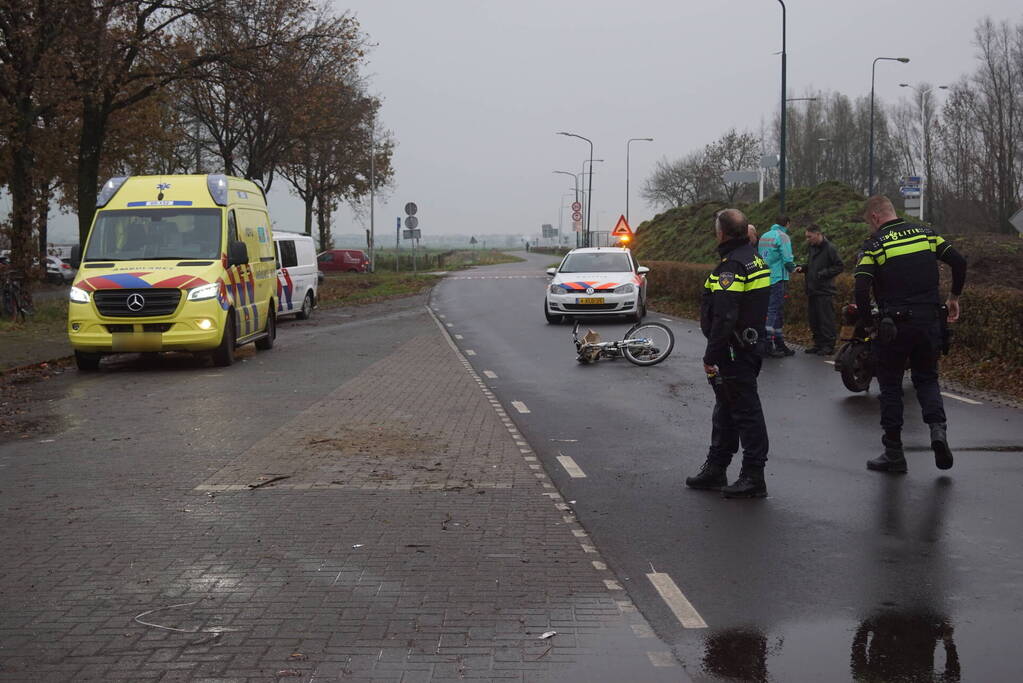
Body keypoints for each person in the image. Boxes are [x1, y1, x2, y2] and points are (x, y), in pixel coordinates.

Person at [854, 195, 967, 473]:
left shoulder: (875, 244)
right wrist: (953, 297)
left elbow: (861, 287)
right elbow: (960, 262)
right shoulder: (927, 234)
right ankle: (938, 432)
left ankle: (893, 453)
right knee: (927, 379)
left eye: (870, 222)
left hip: (894, 326)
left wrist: (869, 324)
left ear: (876, 218)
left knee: (891, 385)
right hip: (930, 321)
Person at [686, 209, 772, 498]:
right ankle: (717, 467)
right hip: (747, 345)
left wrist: (711, 356)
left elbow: (725, 316)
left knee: (746, 412)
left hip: (734, 350)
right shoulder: (752, 257)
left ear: (722, 233)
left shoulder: (732, 266)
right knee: (726, 408)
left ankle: (753, 475)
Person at [795, 223, 844, 355]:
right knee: (814, 319)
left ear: (818, 234)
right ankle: (818, 343)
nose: (807, 240)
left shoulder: (830, 248)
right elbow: (812, 264)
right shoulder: (812, 247)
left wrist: (823, 273)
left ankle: (828, 345)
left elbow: (839, 266)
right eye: (806, 237)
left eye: (809, 237)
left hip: (824, 290)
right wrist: (804, 268)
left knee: (826, 319)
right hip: (812, 289)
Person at [757, 215, 796, 357]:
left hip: (764, 278)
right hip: (777, 278)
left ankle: (779, 343)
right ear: (787, 223)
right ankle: (767, 344)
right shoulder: (783, 236)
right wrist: (793, 268)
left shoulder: (764, 236)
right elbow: (787, 258)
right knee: (774, 311)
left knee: (775, 311)